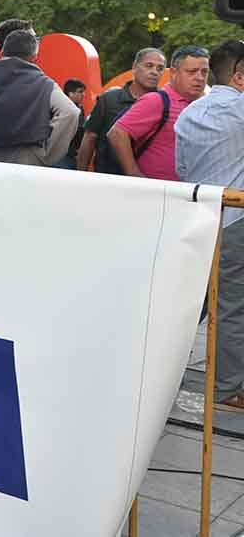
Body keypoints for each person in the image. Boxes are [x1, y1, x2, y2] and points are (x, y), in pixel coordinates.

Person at [175, 40, 244, 410]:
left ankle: (157, 369)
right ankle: (227, 388)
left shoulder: (191, 113)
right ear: (238, 75)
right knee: (233, 305)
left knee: (192, 304)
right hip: (237, 219)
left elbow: (183, 168)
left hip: (201, 216)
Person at [0, 30, 78, 166]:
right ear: (34, 58)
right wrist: (48, 155)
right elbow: (70, 112)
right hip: (25, 158)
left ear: (2, 52)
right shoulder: (44, 83)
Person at [108, 45, 209, 181]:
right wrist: (134, 174)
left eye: (204, 72)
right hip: (155, 193)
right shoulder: (156, 101)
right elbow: (117, 133)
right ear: (173, 72)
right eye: (192, 71)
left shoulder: (206, 104)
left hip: (191, 193)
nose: (200, 78)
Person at [77, 48, 165, 172]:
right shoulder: (109, 99)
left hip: (147, 180)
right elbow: (90, 137)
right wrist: (82, 174)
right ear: (134, 67)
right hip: (108, 177)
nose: (154, 72)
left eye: (160, 68)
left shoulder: (165, 104)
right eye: (149, 66)